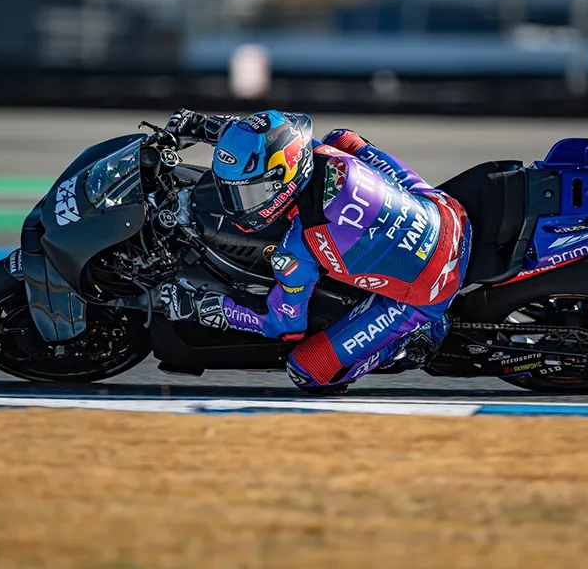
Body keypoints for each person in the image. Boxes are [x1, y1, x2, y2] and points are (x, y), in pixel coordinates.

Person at [160, 109, 472, 393]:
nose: (238, 205)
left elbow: (284, 326)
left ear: (282, 181)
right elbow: (262, 139)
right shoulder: (311, 151)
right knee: (343, 139)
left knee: (308, 371)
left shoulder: (299, 247)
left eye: (250, 193)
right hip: (445, 210)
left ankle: (415, 338)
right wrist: (202, 125)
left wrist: (212, 308)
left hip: (434, 283)